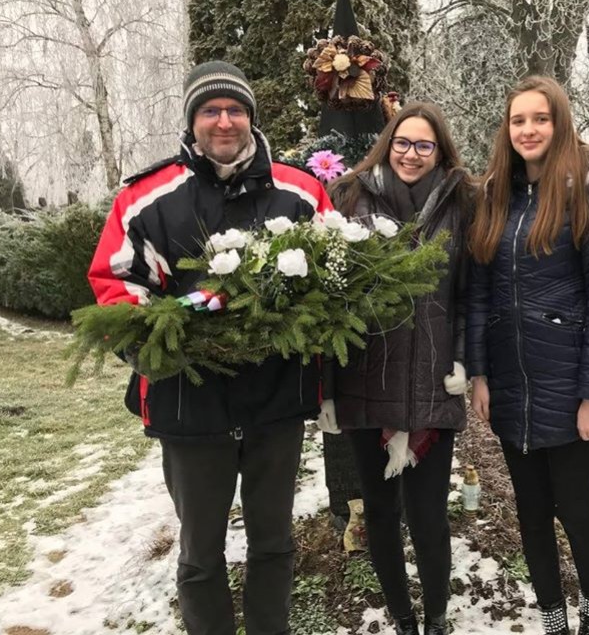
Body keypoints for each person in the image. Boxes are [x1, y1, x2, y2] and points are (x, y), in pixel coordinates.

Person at [88, 61, 334, 635]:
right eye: (210, 110)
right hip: (188, 404)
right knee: (201, 553)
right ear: (193, 120)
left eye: (236, 110)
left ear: (251, 117)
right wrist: (165, 339)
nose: (224, 121)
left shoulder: (301, 192)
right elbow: (114, 284)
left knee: (274, 543)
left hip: (277, 401)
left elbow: (334, 283)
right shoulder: (148, 197)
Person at [466, 76, 589, 635]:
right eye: (518, 121)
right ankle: (553, 616)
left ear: (559, 124)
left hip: (569, 382)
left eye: (540, 118)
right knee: (531, 513)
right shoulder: (495, 196)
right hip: (511, 383)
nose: (528, 130)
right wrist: (480, 374)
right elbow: (480, 293)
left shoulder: (587, 190)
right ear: (506, 130)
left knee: (575, 510)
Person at [323, 101, 473, 635]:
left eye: (424, 145)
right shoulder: (349, 198)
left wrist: (462, 359)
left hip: (434, 382)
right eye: (403, 143)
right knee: (381, 515)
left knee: (430, 517)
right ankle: (403, 618)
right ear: (388, 144)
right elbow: (332, 296)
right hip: (368, 381)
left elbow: (467, 295)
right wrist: (329, 387)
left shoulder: (460, 204)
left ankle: (435, 618)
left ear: (440, 151)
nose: (412, 155)